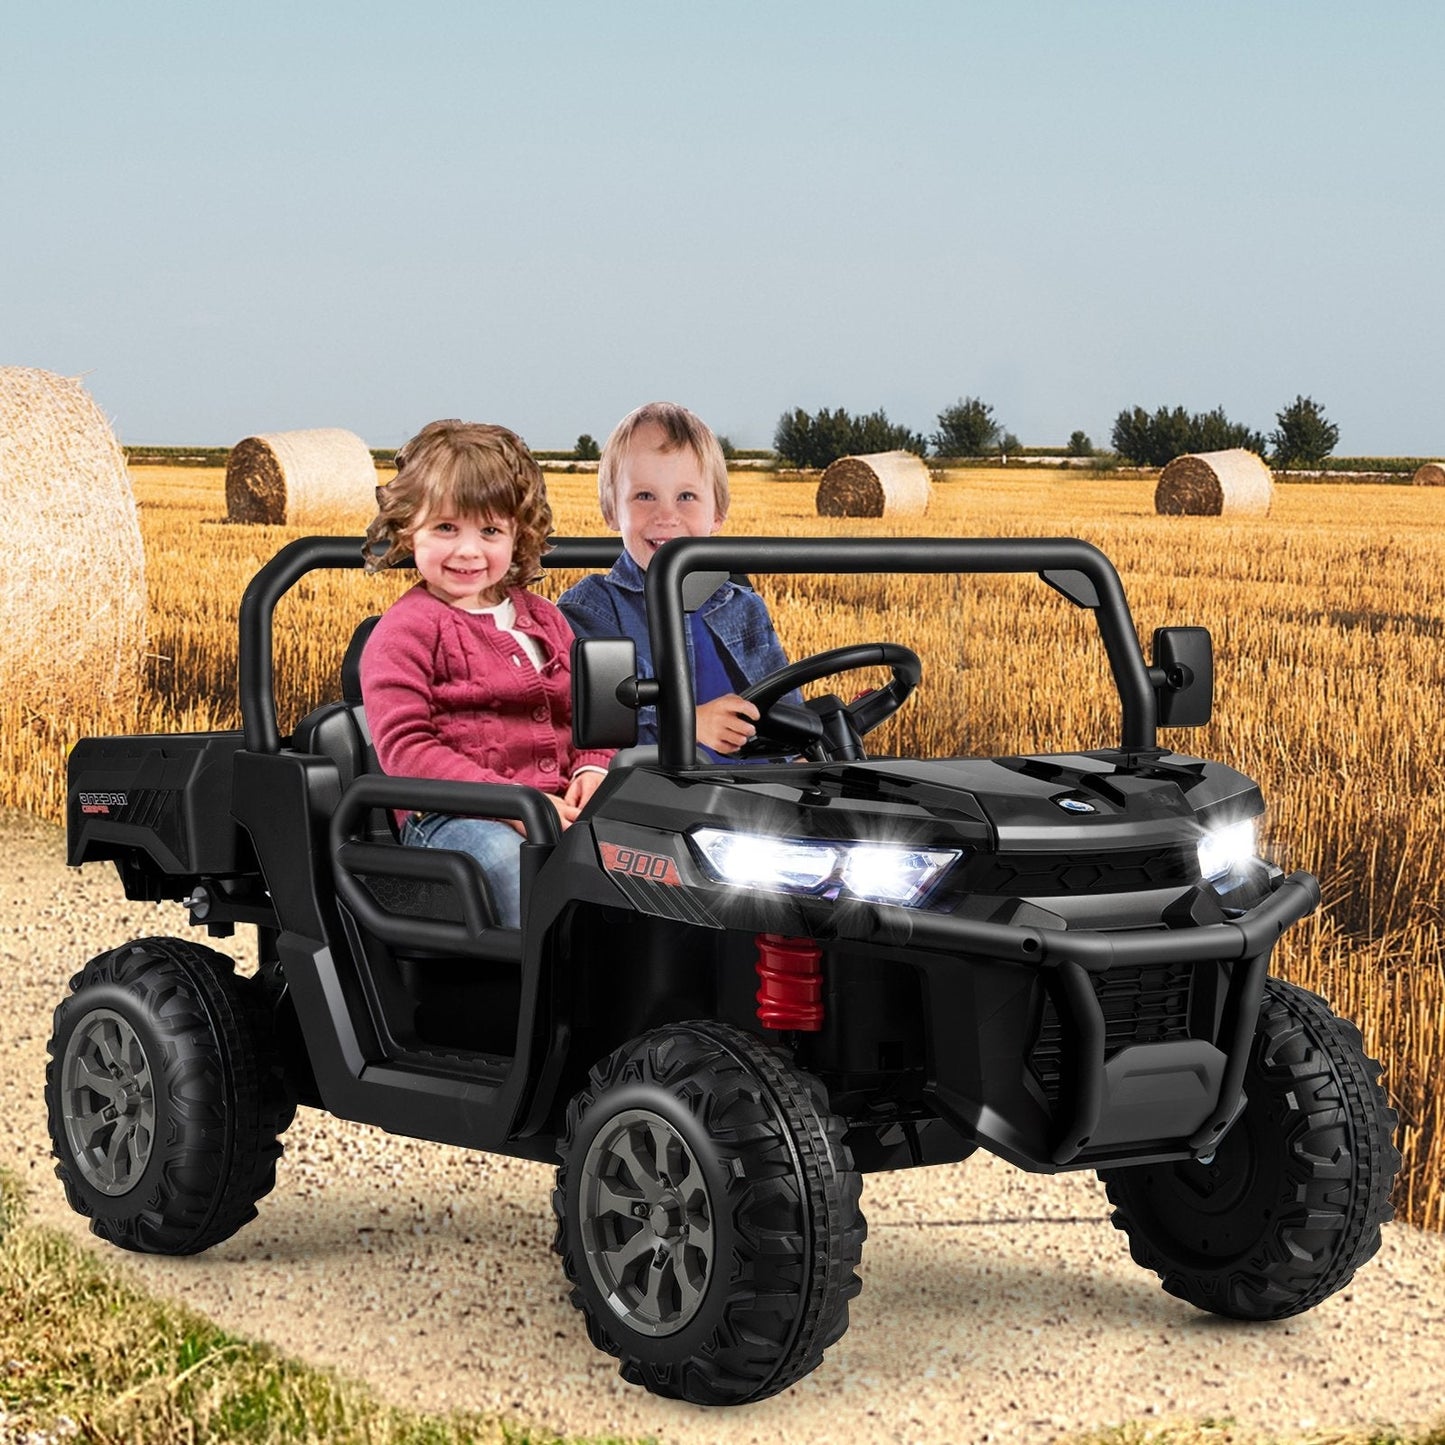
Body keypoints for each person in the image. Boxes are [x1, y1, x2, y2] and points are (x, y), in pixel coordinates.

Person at [360, 420, 613, 927]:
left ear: (519, 534)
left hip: (559, 803)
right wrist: (512, 804)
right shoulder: (405, 631)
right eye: (447, 528)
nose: (469, 551)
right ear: (410, 528)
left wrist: (591, 766)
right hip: (453, 816)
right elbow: (407, 749)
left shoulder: (545, 618)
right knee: (514, 869)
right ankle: (549, 1003)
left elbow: (589, 710)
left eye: (490, 531)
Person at [557, 401, 797, 760]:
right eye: (644, 496)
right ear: (611, 510)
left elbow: (786, 706)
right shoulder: (593, 608)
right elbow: (597, 728)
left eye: (686, 496)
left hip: (760, 790)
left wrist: (804, 748)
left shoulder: (745, 606)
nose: (666, 515)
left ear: (717, 513)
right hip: (662, 800)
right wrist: (687, 724)